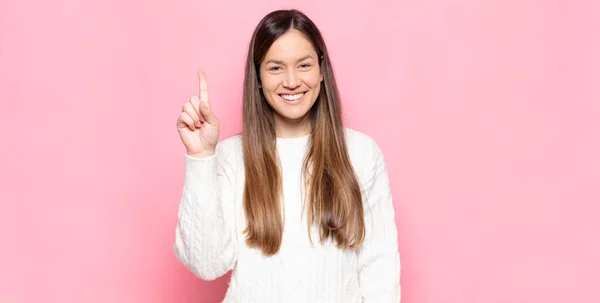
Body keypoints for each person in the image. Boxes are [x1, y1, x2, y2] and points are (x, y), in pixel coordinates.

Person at [174, 8, 401, 303]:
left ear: (322, 71)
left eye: (304, 65)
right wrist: (202, 157)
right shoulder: (231, 157)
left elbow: (380, 270)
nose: (292, 81)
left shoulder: (360, 154)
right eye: (276, 68)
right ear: (257, 77)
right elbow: (206, 264)